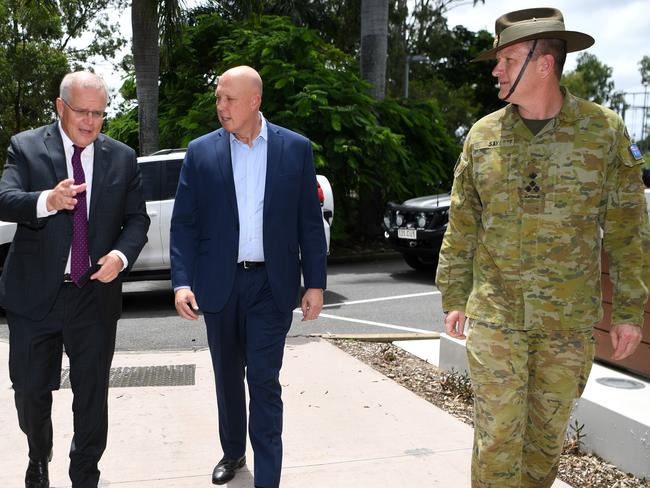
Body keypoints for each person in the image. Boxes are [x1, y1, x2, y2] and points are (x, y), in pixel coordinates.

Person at [436, 8, 649, 488]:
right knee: (497, 440)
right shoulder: (483, 137)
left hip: (567, 323)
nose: (496, 70)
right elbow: (463, 222)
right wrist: (453, 294)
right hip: (496, 315)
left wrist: (629, 310)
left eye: (507, 59)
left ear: (544, 63)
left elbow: (628, 229)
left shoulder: (604, 132)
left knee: (543, 445)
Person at [170, 65, 327, 488]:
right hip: (218, 285)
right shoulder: (201, 152)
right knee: (226, 376)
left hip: (270, 284)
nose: (221, 106)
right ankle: (233, 452)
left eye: (229, 99)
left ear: (255, 101)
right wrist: (182, 281)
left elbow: (308, 222)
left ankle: (268, 478)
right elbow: (184, 224)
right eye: (218, 98)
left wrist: (314, 283)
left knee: (263, 380)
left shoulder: (295, 148)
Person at [0, 71, 150, 488]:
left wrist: (120, 257)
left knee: (91, 397)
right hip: (34, 296)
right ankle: (38, 452)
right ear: (60, 107)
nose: (90, 121)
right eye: (81, 111)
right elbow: (4, 199)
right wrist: (46, 200)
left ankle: (85, 474)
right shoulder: (26, 147)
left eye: (99, 113)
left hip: (93, 294)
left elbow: (137, 219)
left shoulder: (121, 156)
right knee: (30, 391)